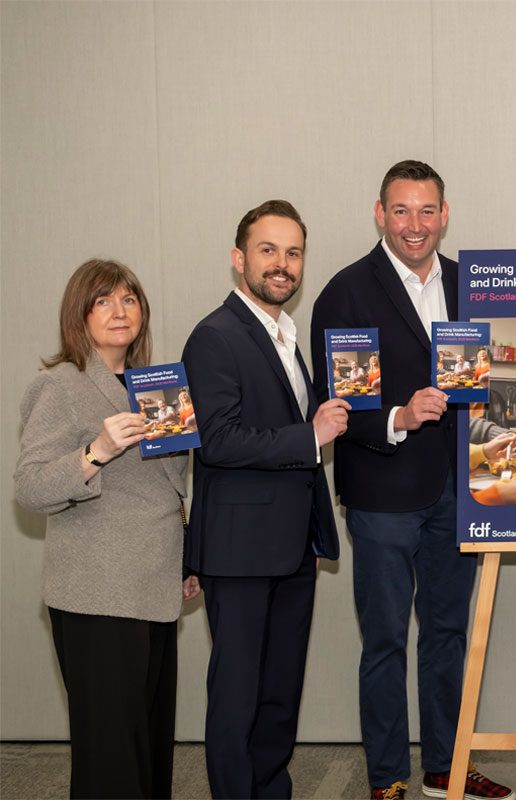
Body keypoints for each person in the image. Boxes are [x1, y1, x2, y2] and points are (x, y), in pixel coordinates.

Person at [309, 160, 513, 800]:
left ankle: (446, 767)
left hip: (459, 491)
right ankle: (387, 778)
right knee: (386, 641)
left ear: (445, 215)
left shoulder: (472, 285)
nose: (414, 225)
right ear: (380, 214)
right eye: (401, 210)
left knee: (448, 635)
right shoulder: (346, 292)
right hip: (384, 494)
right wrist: (399, 414)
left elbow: (487, 377)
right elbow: (340, 403)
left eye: (427, 211)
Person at [182, 200, 349, 799]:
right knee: (237, 696)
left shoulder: (284, 336)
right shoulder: (215, 336)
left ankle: (271, 791)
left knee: (279, 691)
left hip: (292, 546)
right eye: (268, 250)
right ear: (239, 259)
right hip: (240, 552)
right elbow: (218, 440)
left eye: (293, 252)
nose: (282, 264)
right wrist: (310, 435)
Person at [15, 259, 196, 798]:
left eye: (129, 299)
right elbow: (30, 487)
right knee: (111, 759)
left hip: (155, 588)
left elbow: (170, 489)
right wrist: (96, 451)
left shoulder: (157, 385)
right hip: (97, 594)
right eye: (103, 301)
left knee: (150, 748)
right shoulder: (59, 385)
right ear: (80, 314)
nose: (120, 311)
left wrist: (186, 561)